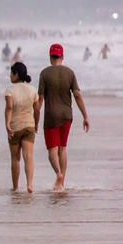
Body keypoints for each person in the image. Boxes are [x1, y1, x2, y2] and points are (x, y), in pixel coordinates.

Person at [38, 44, 90, 191]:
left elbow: (40, 99)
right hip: (67, 115)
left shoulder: (44, 74)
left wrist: (35, 118)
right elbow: (77, 95)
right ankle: (62, 183)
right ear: (62, 57)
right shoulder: (70, 73)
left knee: (52, 150)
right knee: (63, 148)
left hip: (51, 116)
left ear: (50, 57)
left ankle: (58, 174)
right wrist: (85, 116)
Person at [4, 62, 40, 193]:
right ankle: (29, 185)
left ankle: (15, 186)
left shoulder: (10, 90)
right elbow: (37, 109)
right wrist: (36, 124)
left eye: (11, 72)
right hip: (29, 125)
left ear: (16, 74)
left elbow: (9, 108)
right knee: (28, 156)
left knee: (15, 158)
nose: (10, 75)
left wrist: (7, 124)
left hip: (15, 127)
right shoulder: (32, 89)